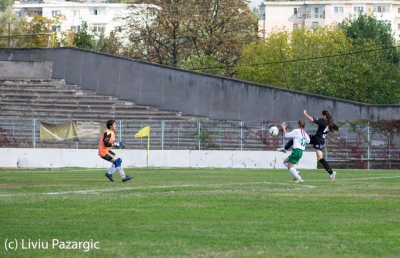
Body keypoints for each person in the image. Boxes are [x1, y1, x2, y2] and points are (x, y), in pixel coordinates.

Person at [277, 110, 339, 182]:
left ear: (324, 115)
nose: (320, 115)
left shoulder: (323, 121)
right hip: (317, 139)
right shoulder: (330, 123)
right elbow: (338, 128)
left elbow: (312, 119)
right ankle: (285, 149)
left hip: (318, 140)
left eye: (321, 114)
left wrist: (305, 114)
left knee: (320, 158)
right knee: (299, 137)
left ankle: (331, 173)